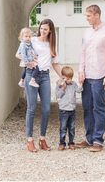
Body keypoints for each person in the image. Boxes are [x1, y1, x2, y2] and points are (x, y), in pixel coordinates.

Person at [77, 4, 105, 152]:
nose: (87, 18)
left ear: (96, 15)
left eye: (88, 15)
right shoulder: (86, 32)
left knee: (98, 108)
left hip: (101, 76)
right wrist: (81, 71)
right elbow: (82, 52)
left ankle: (98, 141)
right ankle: (89, 139)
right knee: (87, 108)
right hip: (86, 77)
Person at [24, 18, 62, 152]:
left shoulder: (51, 45)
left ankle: (42, 138)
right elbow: (21, 53)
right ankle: (29, 140)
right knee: (32, 108)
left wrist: (63, 77)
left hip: (45, 76)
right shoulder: (32, 41)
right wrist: (28, 62)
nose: (42, 30)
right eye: (41, 28)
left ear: (50, 30)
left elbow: (55, 64)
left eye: (45, 29)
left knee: (46, 109)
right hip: (32, 75)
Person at [56, 65, 82, 151]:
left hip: (72, 109)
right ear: (63, 77)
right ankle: (62, 143)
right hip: (63, 110)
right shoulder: (59, 84)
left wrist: (81, 83)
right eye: (67, 78)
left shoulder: (73, 84)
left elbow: (78, 90)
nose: (69, 80)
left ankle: (71, 143)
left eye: (70, 78)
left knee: (71, 127)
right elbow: (58, 95)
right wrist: (63, 88)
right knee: (63, 127)